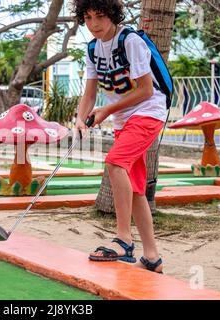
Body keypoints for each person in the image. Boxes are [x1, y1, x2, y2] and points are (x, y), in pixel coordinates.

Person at [73, 0, 167, 273]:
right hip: (123, 120)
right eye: (88, 18)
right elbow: (90, 93)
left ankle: (124, 240)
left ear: (112, 15)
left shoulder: (130, 41)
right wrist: (81, 118)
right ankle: (152, 258)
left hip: (148, 113)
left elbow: (145, 91)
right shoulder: (92, 48)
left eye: (100, 16)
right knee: (135, 189)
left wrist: (106, 110)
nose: (94, 24)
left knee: (115, 164)